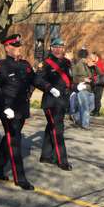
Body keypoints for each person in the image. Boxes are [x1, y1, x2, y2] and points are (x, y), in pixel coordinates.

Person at [0, 34, 35, 190]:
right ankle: (20, 178)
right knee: (15, 141)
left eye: (19, 46)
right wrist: (3, 107)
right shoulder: (0, 66)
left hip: (22, 109)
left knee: (9, 139)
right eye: (15, 46)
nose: (18, 49)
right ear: (7, 47)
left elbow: (35, 80)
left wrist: (50, 87)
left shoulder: (25, 65)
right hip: (8, 110)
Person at [34, 38, 73, 171]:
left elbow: (69, 80)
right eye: (55, 47)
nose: (58, 49)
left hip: (63, 101)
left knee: (51, 128)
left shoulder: (67, 62)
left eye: (60, 47)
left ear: (64, 48)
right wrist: (49, 88)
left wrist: (77, 87)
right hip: (51, 102)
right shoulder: (45, 63)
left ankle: (45, 155)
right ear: (50, 48)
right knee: (58, 130)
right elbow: (37, 79)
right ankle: (62, 161)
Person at [71, 48, 95, 130]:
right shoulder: (77, 65)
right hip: (82, 88)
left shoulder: (88, 65)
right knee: (85, 107)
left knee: (92, 106)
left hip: (90, 88)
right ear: (82, 57)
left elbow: (93, 75)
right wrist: (83, 79)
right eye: (86, 57)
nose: (87, 59)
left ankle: (76, 116)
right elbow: (74, 78)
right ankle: (85, 125)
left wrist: (93, 68)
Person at [90, 51, 104, 116]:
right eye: (90, 57)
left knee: (98, 97)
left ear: (95, 56)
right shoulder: (93, 62)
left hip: (100, 83)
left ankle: (97, 112)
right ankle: (94, 110)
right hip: (94, 82)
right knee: (94, 97)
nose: (91, 58)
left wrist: (95, 66)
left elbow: (101, 73)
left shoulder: (100, 62)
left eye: (92, 57)